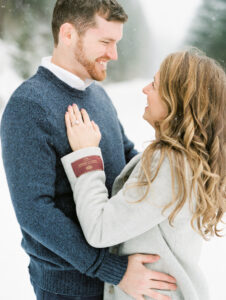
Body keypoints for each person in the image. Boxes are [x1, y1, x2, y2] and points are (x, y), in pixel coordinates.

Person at [0, 1, 177, 300]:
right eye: (106, 42)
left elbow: (125, 157)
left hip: (116, 283)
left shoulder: (97, 94)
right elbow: (35, 211)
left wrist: (178, 170)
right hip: (69, 289)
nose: (114, 54)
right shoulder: (28, 106)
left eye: (117, 42)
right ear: (68, 34)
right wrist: (113, 269)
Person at [61, 49, 226, 300]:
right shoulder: (187, 162)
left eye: (155, 85)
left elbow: (100, 229)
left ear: (177, 101)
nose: (145, 89)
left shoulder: (170, 165)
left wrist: (87, 156)